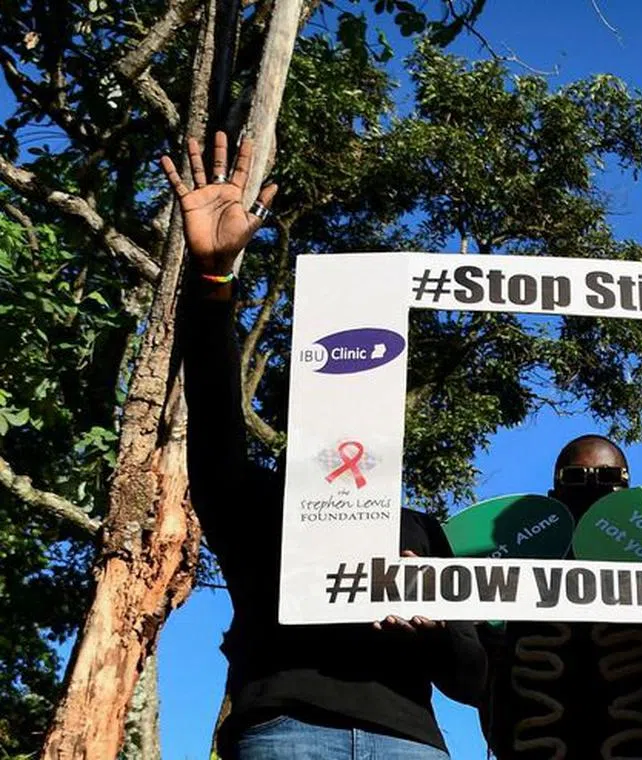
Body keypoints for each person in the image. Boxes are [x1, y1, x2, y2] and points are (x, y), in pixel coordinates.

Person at [164, 132, 487, 759]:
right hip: (285, 734)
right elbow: (210, 407)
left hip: (412, 744)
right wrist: (212, 278)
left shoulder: (419, 531)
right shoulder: (250, 501)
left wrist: (433, 624)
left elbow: (474, 679)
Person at [477, 434, 642, 760]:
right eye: (576, 476)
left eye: (609, 477)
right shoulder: (517, 578)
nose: (593, 488)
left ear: (628, 493)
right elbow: (491, 693)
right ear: (554, 494)